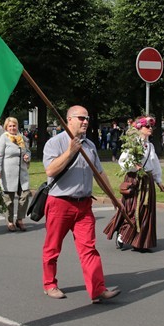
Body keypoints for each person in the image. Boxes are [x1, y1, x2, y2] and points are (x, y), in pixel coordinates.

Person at [42, 105, 120, 303]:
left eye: (87, 118)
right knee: (53, 247)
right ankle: (50, 284)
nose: (85, 121)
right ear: (69, 120)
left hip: (84, 205)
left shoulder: (90, 145)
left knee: (89, 248)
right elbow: (50, 171)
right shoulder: (54, 143)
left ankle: (97, 290)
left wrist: (113, 197)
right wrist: (70, 152)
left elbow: (99, 173)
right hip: (60, 202)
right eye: (81, 118)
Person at [103, 116, 164, 252]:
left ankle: (141, 242)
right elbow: (123, 161)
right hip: (134, 179)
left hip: (147, 180)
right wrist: (134, 166)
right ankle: (122, 234)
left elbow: (155, 164)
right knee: (132, 210)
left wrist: (158, 180)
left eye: (151, 127)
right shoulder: (132, 144)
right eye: (147, 127)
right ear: (139, 128)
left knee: (146, 211)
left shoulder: (150, 146)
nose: (150, 129)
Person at [0, 117, 32, 232]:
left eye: (14, 125)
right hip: (8, 173)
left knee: (25, 195)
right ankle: (10, 221)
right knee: (8, 200)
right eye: (10, 126)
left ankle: (20, 219)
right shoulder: (4, 138)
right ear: (6, 127)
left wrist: (27, 156)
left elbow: (28, 151)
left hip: (22, 173)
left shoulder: (22, 138)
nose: (12, 128)